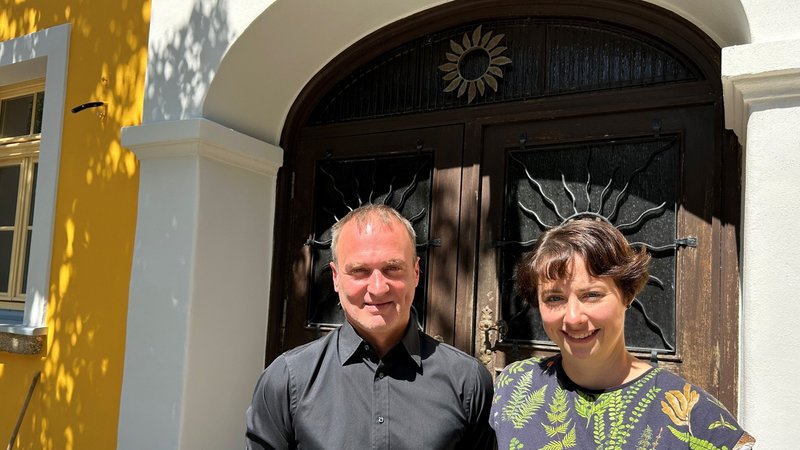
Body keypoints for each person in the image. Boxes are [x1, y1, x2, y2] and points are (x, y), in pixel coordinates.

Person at [490, 218, 755, 449]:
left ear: (627, 295)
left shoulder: (695, 417)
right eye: (554, 298)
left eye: (591, 295)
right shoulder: (515, 385)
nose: (573, 318)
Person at [246, 204, 494, 449]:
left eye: (392, 268)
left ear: (416, 273)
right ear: (335, 278)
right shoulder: (286, 381)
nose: (377, 288)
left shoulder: (468, 383)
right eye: (360, 271)